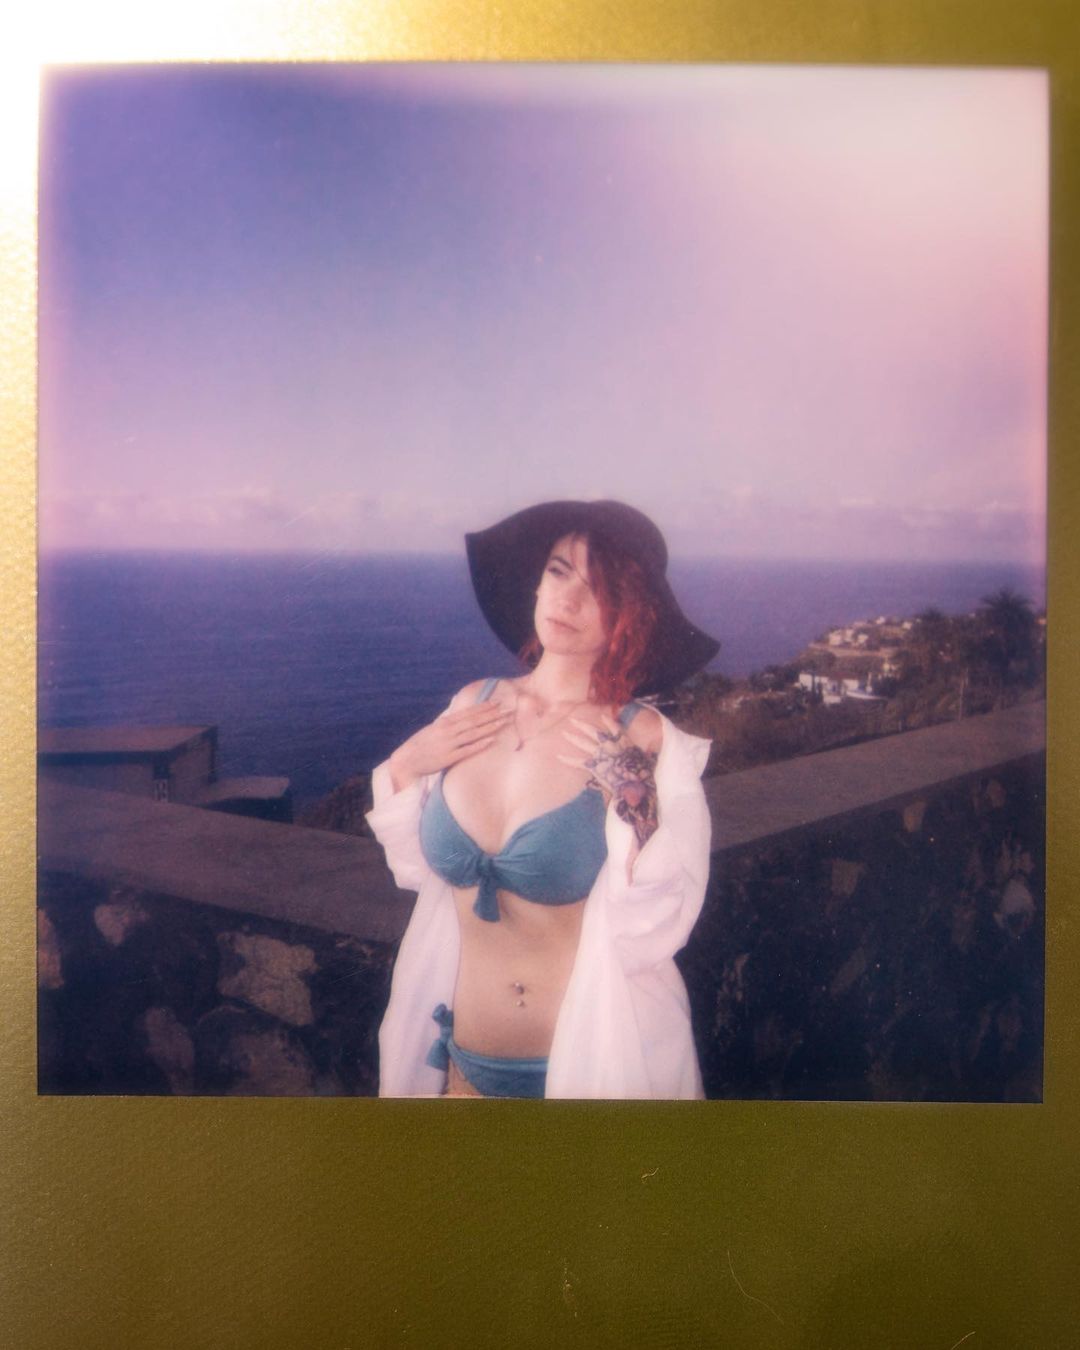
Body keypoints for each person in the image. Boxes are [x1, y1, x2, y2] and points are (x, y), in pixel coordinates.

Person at [366, 500, 720, 1099]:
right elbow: (417, 871)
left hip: (590, 1076)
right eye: (559, 572)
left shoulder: (645, 739)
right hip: (459, 1072)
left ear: (630, 616)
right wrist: (405, 765)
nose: (569, 600)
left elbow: (658, 925)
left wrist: (632, 794)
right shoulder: (473, 704)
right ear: (537, 582)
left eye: (599, 590)